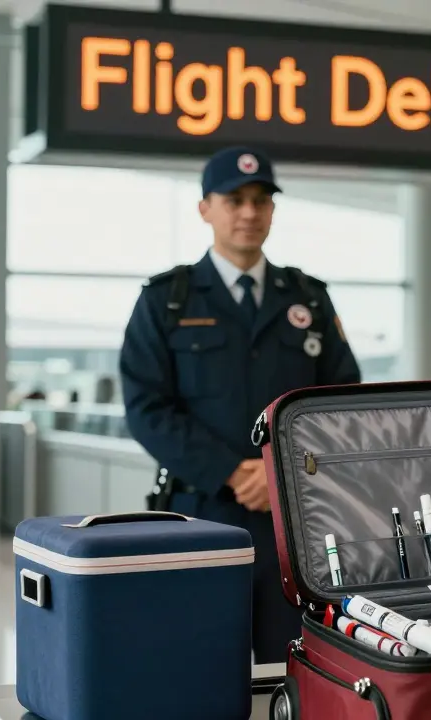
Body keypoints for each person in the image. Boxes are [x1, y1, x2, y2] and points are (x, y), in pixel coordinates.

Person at [120, 146, 362, 663]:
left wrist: (279, 474)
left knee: (297, 669)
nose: (249, 212)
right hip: (199, 516)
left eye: (261, 200)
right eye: (234, 200)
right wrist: (232, 471)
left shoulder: (309, 299)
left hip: (295, 521)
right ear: (205, 208)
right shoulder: (167, 300)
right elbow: (146, 407)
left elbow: (341, 404)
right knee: (198, 668)